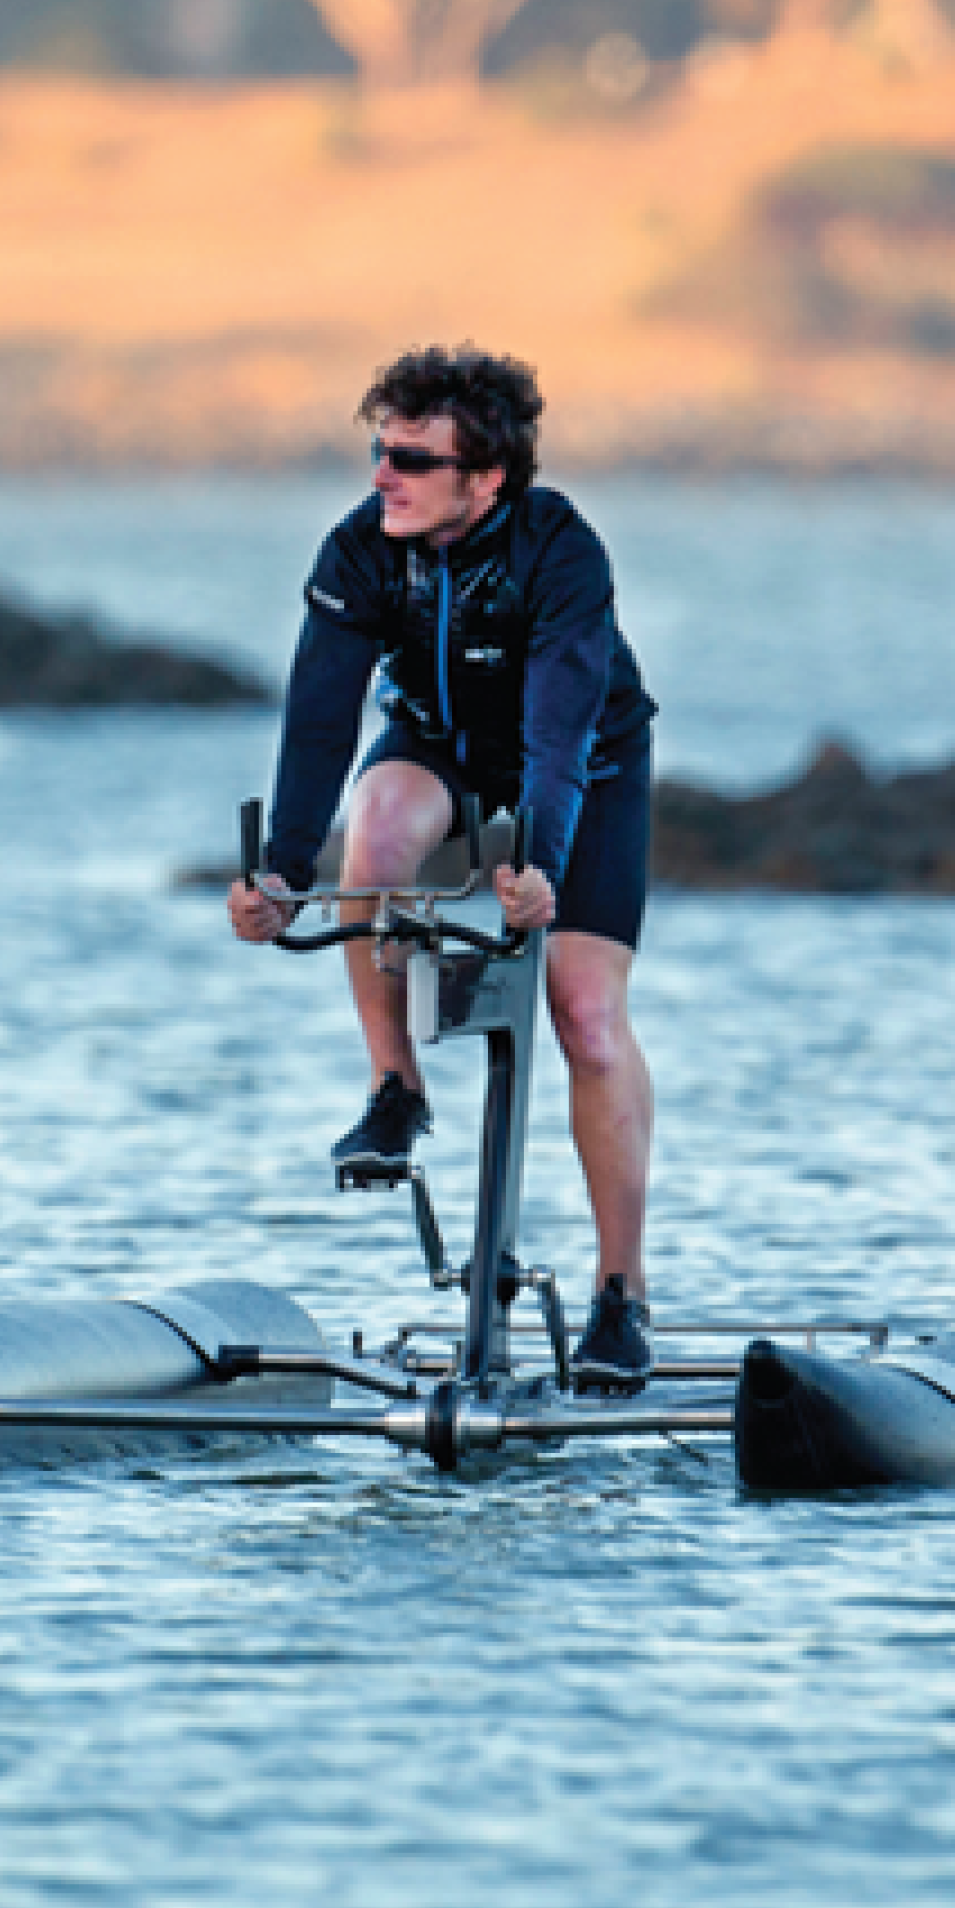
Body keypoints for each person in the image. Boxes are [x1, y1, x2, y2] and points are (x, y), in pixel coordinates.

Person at [226, 344, 661, 1393]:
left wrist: (539, 867)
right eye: (381, 449)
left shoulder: (561, 553)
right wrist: (283, 873)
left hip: (586, 762)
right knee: (373, 826)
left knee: (586, 1015)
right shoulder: (361, 549)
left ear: (487, 478)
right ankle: (394, 1086)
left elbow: (557, 737)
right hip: (439, 746)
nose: (385, 473)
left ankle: (621, 1294)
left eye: (413, 458)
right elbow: (321, 716)